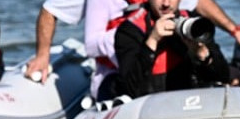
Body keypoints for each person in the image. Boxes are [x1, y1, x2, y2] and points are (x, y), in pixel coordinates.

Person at [26, 0, 240, 89]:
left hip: (176, 77)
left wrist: (205, 46)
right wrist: (148, 38)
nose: (166, 3)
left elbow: (201, 3)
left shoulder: (179, 13)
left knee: (236, 77)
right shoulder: (129, 26)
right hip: (122, 65)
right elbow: (51, 10)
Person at [94, 0, 230, 102]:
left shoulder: (193, 24)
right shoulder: (130, 30)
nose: (166, 3)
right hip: (148, 107)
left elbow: (223, 76)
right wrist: (152, 41)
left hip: (190, 101)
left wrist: (202, 54)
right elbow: (129, 89)